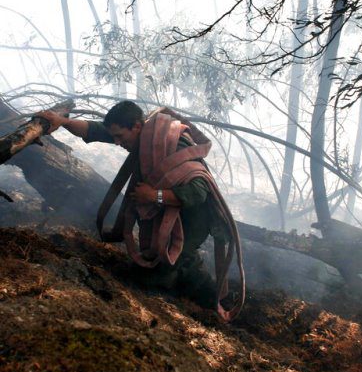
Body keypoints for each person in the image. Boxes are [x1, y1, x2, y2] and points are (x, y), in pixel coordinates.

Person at [37, 101, 244, 321]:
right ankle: (214, 297)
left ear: (136, 126)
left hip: (196, 215)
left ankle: (213, 308)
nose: (117, 143)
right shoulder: (138, 136)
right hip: (174, 208)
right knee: (179, 259)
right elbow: (95, 129)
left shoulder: (172, 142)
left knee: (155, 274)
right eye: (115, 137)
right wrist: (63, 121)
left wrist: (155, 196)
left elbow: (198, 191)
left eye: (120, 137)